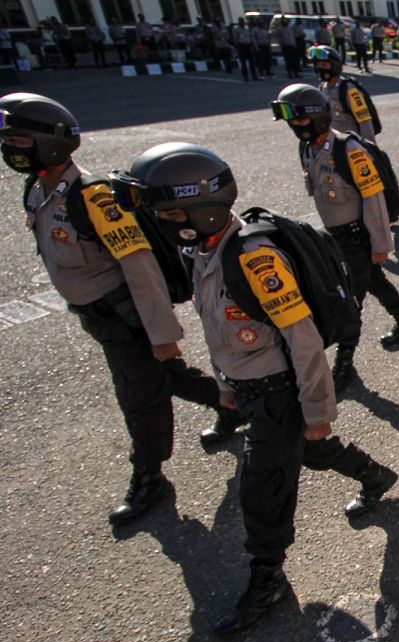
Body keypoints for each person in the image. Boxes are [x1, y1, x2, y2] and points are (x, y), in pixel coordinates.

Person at [112, 143, 399, 636]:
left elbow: (303, 338)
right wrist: (225, 387)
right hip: (251, 389)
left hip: (278, 392)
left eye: (165, 212)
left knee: (261, 490)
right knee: (312, 454)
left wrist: (317, 410)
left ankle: (266, 578)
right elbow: (220, 334)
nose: (157, 222)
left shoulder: (255, 259)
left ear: (197, 211)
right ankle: (374, 475)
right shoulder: (202, 252)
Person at [0, 93, 238, 524]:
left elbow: (140, 265)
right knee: (163, 379)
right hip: (99, 318)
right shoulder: (38, 189)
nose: (9, 150)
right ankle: (232, 405)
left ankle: (149, 477)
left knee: (139, 398)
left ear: (47, 144)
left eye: (17, 141)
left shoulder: (93, 198)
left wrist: (163, 335)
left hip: (127, 316)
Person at [272, 85, 399, 388]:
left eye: (299, 120)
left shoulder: (349, 150)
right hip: (334, 237)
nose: (295, 127)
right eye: (291, 121)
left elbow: (374, 199)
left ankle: (345, 363)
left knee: (350, 301)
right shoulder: (309, 147)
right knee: (374, 281)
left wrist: (380, 244)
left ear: (316, 117)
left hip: (357, 237)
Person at [311, 45, 378, 143]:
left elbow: (364, 120)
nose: (320, 68)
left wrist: (370, 148)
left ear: (335, 66)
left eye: (325, 65)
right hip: (333, 143)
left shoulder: (348, 89)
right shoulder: (322, 88)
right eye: (318, 65)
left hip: (352, 145)